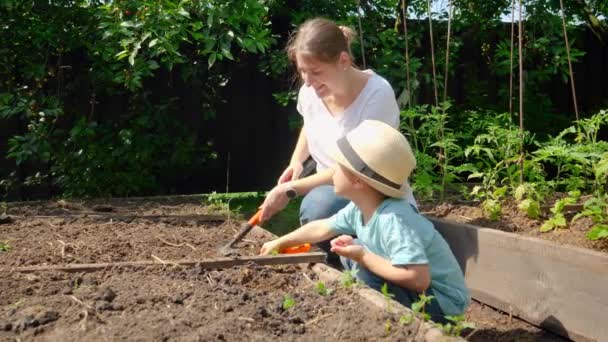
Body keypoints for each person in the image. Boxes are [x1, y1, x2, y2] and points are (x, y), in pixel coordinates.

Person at [260, 120, 470, 323]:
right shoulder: (361, 208)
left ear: (358, 180)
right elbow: (321, 227)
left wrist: (363, 256)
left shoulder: (394, 220)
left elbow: (418, 278)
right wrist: (278, 243)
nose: (332, 172)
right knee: (355, 252)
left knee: (361, 261)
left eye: (338, 167)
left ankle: (385, 323)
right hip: (423, 293)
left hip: (442, 305)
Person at [259, 18, 416, 254]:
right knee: (322, 203)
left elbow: (356, 167)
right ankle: (340, 263)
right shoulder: (310, 92)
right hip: (338, 187)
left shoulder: (376, 95)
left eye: (315, 72)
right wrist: (296, 162)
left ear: (343, 61)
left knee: (319, 205)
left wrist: (290, 189)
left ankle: (353, 262)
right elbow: (309, 124)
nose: (308, 82)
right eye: (302, 71)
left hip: (370, 193)